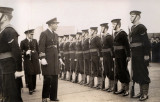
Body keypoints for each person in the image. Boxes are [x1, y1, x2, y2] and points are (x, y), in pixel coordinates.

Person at [0, 7, 23, 102]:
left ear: (4, 17)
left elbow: (16, 51)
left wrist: (18, 70)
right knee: (7, 94)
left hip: (9, 67)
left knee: (12, 96)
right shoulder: (3, 31)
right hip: (4, 66)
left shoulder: (9, 30)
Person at [39, 18, 63, 102]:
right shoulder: (44, 33)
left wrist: (60, 58)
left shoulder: (56, 35)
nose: (57, 25)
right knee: (48, 77)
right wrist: (42, 58)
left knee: (55, 77)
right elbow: (41, 46)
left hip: (55, 58)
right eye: (56, 24)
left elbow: (58, 47)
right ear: (51, 24)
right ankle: (44, 97)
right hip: (48, 59)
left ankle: (53, 96)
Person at [130, 10, 151, 101]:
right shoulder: (133, 27)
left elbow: (146, 42)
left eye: (132, 16)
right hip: (134, 54)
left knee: (143, 72)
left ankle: (145, 93)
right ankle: (141, 92)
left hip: (141, 53)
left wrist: (146, 54)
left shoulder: (141, 27)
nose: (130, 18)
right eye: (130, 16)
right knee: (137, 72)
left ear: (137, 17)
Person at [111, 19, 130, 96]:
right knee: (119, 72)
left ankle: (127, 89)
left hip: (122, 55)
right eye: (112, 24)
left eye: (114, 24)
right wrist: (113, 56)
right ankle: (122, 88)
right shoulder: (115, 34)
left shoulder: (123, 33)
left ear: (118, 25)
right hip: (117, 56)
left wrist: (128, 55)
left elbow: (127, 45)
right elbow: (114, 47)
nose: (112, 26)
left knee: (124, 71)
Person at [20, 29, 41, 95]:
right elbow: (20, 51)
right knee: (29, 74)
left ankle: (34, 87)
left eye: (33, 34)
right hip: (28, 60)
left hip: (35, 59)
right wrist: (25, 52)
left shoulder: (35, 41)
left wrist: (39, 57)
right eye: (31, 34)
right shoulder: (23, 42)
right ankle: (30, 89)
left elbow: (38, 50)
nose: (32, 35)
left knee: (34, 73)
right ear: (27, 34)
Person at [100, 23, 114, 91]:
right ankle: (109, 85)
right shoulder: (103, 37)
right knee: (106, 70)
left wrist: (113, 56)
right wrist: (101, 56)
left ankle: (112, 86)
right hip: (104, 56)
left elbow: (112, 47)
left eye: (102, 28)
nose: (101, 29)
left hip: (109, 56)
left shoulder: (109, 37)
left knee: (110, 70)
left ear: (105, 28)